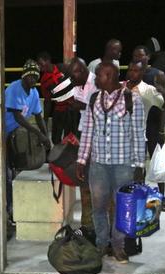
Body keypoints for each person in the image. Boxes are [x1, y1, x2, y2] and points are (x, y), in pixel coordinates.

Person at [76, 62, 146, 263]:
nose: (96, 79)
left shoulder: (132, 100)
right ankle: (101, 244)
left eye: (99, 75)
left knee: (123, 207)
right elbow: (88, 131)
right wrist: (82, 160)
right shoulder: (94, 99)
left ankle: (118, 246)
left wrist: (139, 165)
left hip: (123, 164)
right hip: (98, 164)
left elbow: (138, 135)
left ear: (110, 76)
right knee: (98, 207)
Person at [4, 59, 51, 220]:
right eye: (30, 76)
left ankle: (16, 208)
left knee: (17, 171)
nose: (33, 79)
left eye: (35, 77)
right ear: (24, 76)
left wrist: (47, 138)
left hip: (16, 136)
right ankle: (8, 209)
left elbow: (39, 117)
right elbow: (18, 117)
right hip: (3, 134)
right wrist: (39, 134)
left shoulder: (34, 93)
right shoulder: (14, 89)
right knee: (6, 174)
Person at [126, 59, 165, 212]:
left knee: (140, 173)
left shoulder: (148, 90)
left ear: (142, 73)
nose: (132, 73)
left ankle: (142, 207)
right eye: (130, 70)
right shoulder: (120, 87)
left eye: (136, 70)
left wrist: (163, 92)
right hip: (119, 141)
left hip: (139, 138)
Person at [67, 57, 97, 230]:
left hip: (97, 134)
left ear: (82, 70)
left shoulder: (97, 81)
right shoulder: (78, 84)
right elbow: (80, 105)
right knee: (84, 178)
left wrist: (78, 104)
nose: (72, 78)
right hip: (84, 130)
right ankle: (87, 223)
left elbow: (96, 106)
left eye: (74, 74)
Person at [36, 51, 77, 144]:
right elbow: (47, 101)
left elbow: (76, 80)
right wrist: (45, 120)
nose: (40, 67)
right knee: (56, 138)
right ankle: (58, 156)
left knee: (72, 136)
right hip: (58, 110)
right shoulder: (44, 81)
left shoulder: (63, 67)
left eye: (41, 63)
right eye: (38, 65)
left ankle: (70, 155)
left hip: (72, 108)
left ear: (48, 60)